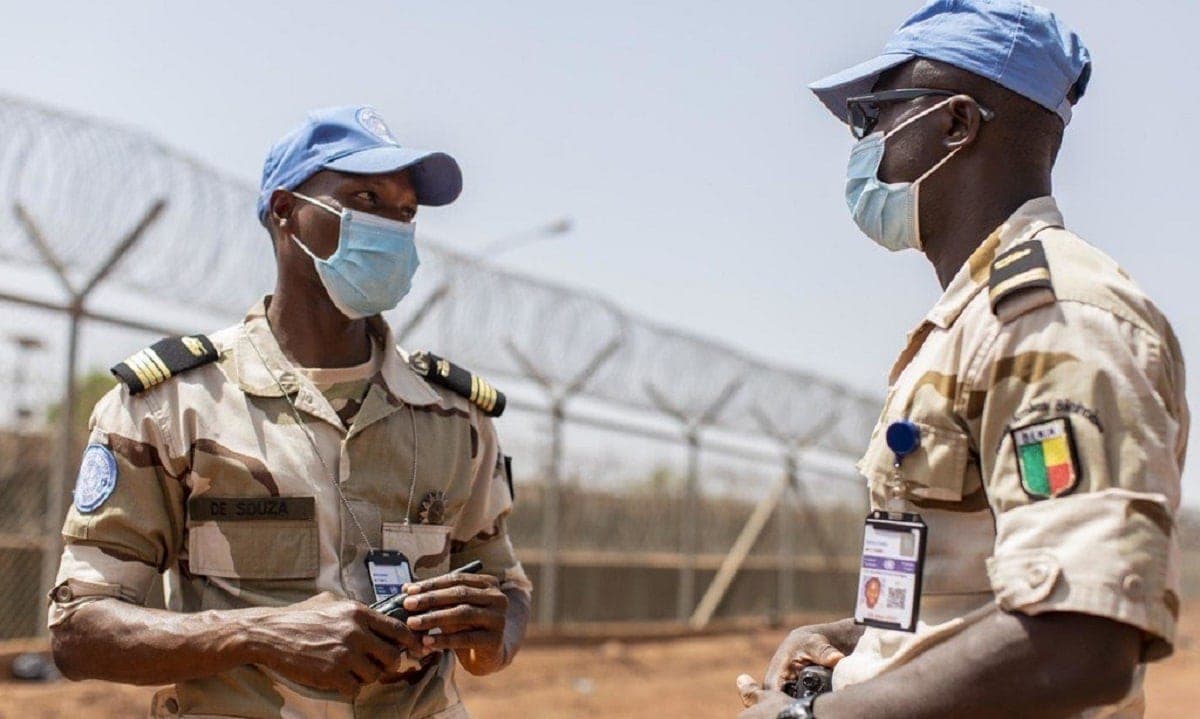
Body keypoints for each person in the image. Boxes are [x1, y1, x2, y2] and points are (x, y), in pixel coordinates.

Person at [736, 2, 1187, 718]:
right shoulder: (973, 319)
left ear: (955, 123)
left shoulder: (1056, 319)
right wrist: (854, 642)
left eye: (874, 115)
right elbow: (974, 599)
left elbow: (1084, 639)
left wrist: (810, 718)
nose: (867, 143)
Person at [47, 105, 532, 719]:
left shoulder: (454, 418)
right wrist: (257, 634)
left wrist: (494, 635)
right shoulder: (173, 406)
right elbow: (79, 630)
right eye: (365, 198)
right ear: (285, 210)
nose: (391, 226)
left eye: (406, 211)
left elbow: (506, 584)